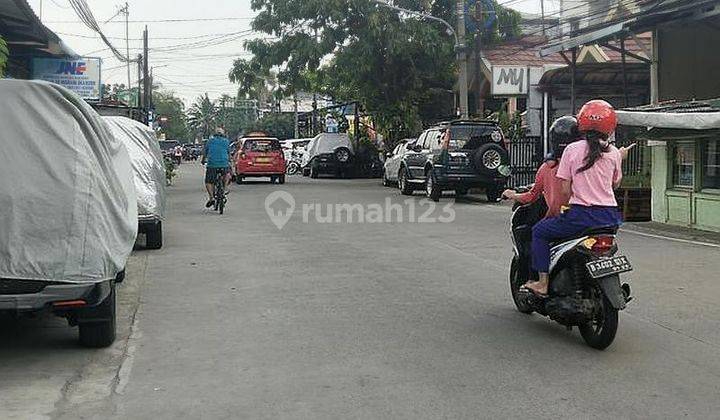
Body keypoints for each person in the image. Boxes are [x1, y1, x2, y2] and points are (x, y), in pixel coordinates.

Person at [522, 100, 625, 297]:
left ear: (582, 123)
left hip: (581, 216)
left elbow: (565, 189)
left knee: (539, 231)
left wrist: (570, 203)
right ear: (611, 126)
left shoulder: (571, 150)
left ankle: (542, 282)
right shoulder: (614, 152)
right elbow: (615, 184)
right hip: (610, 218)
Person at [502, 116, 578, 218]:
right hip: (592, 218)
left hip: (562, 218)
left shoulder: (547, 167)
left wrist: (512, 195)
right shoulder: (588, 164)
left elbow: (531, 196)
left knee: (537, 232)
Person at [202, 127, 232, 208]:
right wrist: (229, 161)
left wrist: (203, 160)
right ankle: (225, 189)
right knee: (227, 175)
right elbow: (229, 153)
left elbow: (205, 152)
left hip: (212, 165)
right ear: (223, 134)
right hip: (224, 164)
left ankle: (211, 198)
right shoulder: (226, 141)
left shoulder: (210, 141)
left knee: (208, 181)